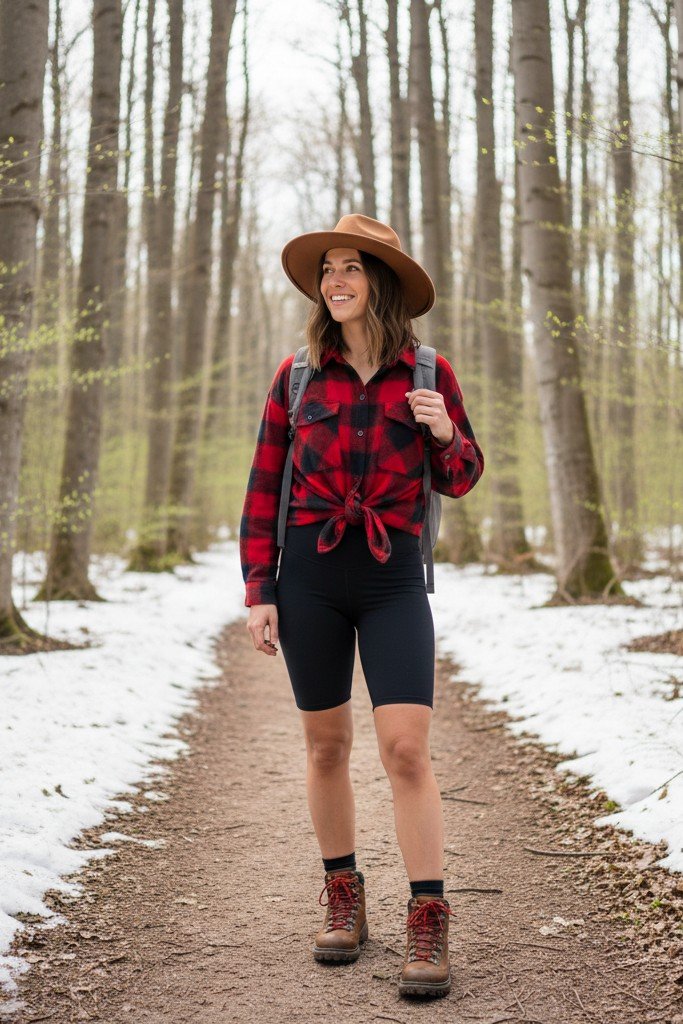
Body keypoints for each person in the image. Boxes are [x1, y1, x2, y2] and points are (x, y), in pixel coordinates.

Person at [239, 213, 484, 999]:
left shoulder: (427, 372)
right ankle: (344, 899)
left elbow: (463, 475)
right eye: (327, 269)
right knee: (325, 747)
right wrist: (258, 591)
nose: (334, 280)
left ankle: (427, 916)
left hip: (391, 580)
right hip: (308, 575)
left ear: (379, 283)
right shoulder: (298, 376)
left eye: (351, 267)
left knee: (406, 749)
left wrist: (445, 433)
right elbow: (261, 490)